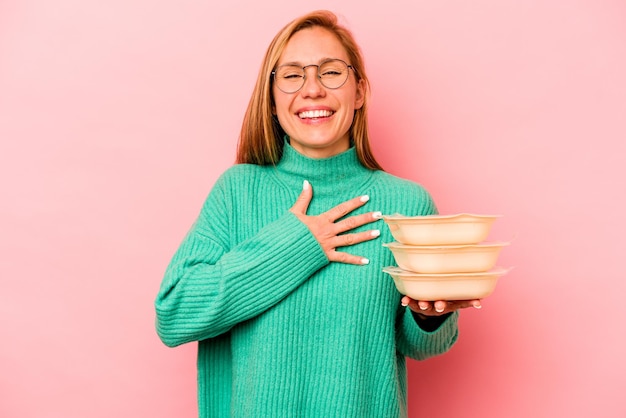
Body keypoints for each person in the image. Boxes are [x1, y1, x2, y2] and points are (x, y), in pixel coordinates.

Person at [155, 10, 482, 417]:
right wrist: (297, 244)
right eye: (292, 75)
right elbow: (173, 315)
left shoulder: (408, 204)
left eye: (331, 73)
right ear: (272, 99)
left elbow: (423, 346)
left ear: (359, 92)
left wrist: (429, 317)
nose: (312, 89)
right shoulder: (237, 191)